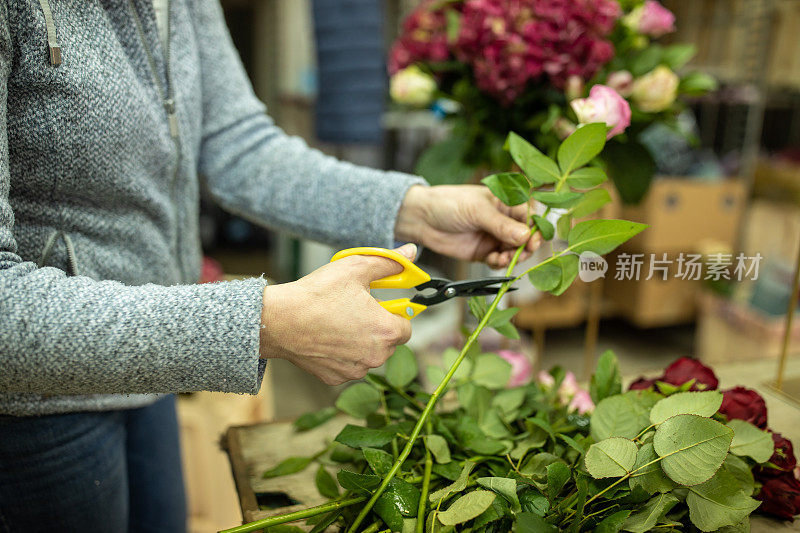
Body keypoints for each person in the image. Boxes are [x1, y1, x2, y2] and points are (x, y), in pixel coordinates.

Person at [0, 1, 541, 531]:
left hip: (149, 369)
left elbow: (238, 146)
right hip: (33, 408)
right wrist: (261, 323)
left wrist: (414, 210)